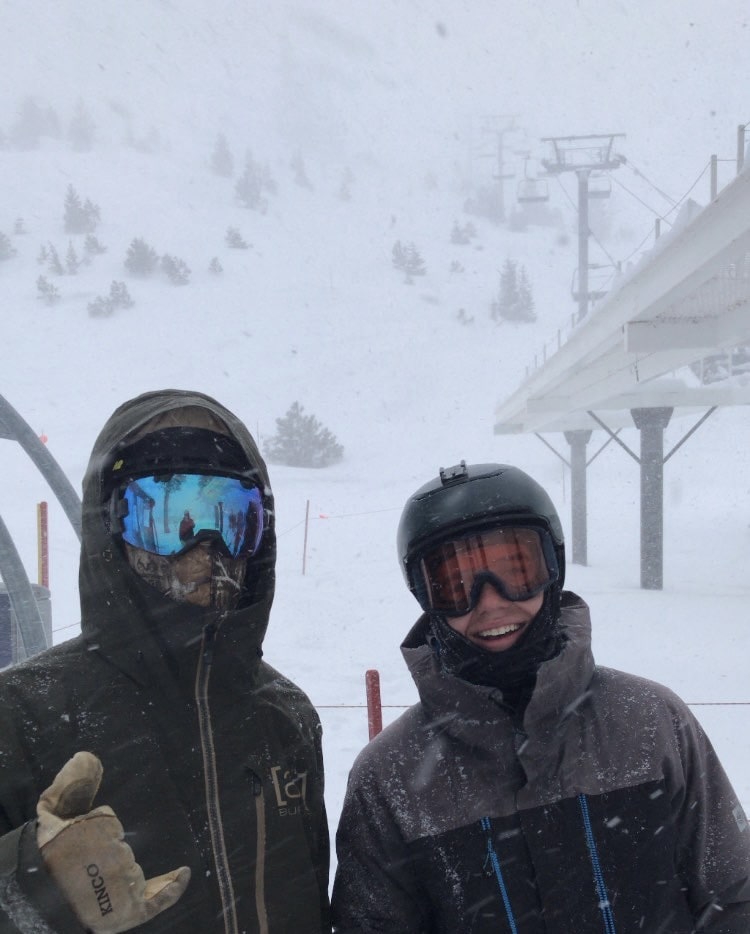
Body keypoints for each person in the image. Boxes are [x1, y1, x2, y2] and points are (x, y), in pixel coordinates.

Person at [332, 461, 750, 932]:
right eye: (456, 585)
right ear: (424, 596)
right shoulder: (392, 777)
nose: (490, 602)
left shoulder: (650, 723)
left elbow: (734, 897)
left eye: (516, 569)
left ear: (553, 567)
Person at [0, 389, 330, 933]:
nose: (205, 548)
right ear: (112, 527)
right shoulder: (23, 715)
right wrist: (32, 887)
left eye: (232, 519)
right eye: (169, 516)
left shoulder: (285, 718)